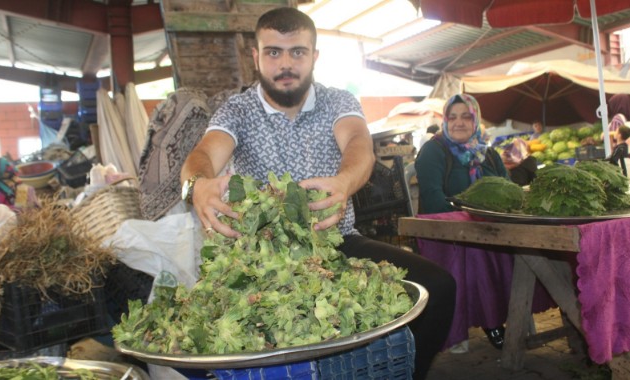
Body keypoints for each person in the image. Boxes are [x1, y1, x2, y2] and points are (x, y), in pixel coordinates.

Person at [180, 7, 456, 380]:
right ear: (255, 57)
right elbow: (204, 153)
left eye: (298, 51)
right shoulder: (238, 110)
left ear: (314, 56)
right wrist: (198, 185)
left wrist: (344, 182)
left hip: (336, 241)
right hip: (264, 259)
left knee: (437, 287)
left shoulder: (337, 102)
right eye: (273, 52)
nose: (286, 63)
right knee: (194, 342)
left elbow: (359, 143)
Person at [415, 94, 511, 350]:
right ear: (445, 120)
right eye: (452, 117)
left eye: (466, 116)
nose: (458, 123)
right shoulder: (434, 150)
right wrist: (471, 215)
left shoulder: (488, 154)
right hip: (443, 231)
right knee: (478, 251)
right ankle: (491, 321)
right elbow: (433, 199)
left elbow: (507, 188)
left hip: (491, 229)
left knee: (524, 252)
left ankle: (511, 311)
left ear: (475, 119)